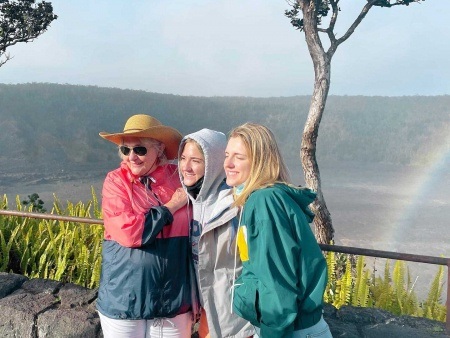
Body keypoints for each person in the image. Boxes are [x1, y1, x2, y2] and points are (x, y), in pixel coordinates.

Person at [224, 123, 333, 338]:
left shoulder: (264, 202)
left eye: (239, 157)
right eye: (227, 155)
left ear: (259, 161)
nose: (228, 163)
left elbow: (276, 283)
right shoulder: (268, 197)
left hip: (292, 331)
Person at [96, 114, 195, 338]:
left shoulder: (179, 178)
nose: (132, 157)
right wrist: (171, 207)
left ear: (159, 150)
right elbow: (130, 232)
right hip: (124, 299)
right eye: (125, 150)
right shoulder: (115, 181)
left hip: (173, 299)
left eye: (140, 149)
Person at [178, 129, 254, 338]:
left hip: (234, 317)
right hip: (207, 311)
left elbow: (251, 262)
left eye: (196, 160)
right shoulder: (188, 202)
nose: (186, 167)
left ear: (213, 165)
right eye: (183, 158)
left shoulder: (236, 205)